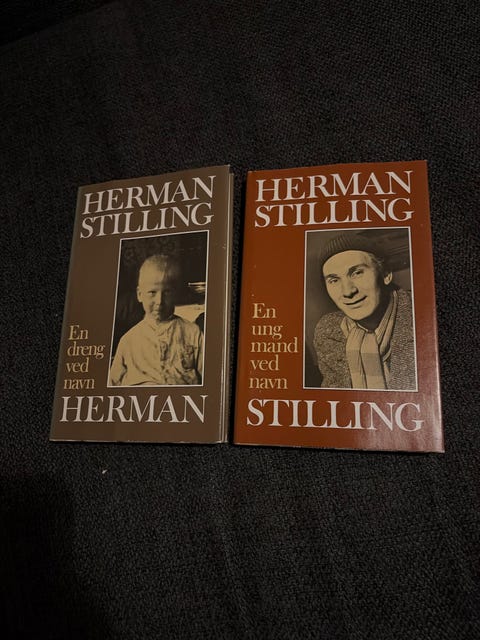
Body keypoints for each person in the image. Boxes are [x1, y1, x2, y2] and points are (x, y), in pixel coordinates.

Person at [313, 233, 415, 390]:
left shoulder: (420, 315)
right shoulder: (328, 331)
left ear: (386, 274)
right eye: (334, 280)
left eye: (357, 273)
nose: (348, 291)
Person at [110, 254, 203, 386]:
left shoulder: (192, 332)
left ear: (177, 294)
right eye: (152, 292)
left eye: (167, 292)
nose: (159, 301)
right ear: (140, 295)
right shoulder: (128, 340)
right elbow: (113, 383)